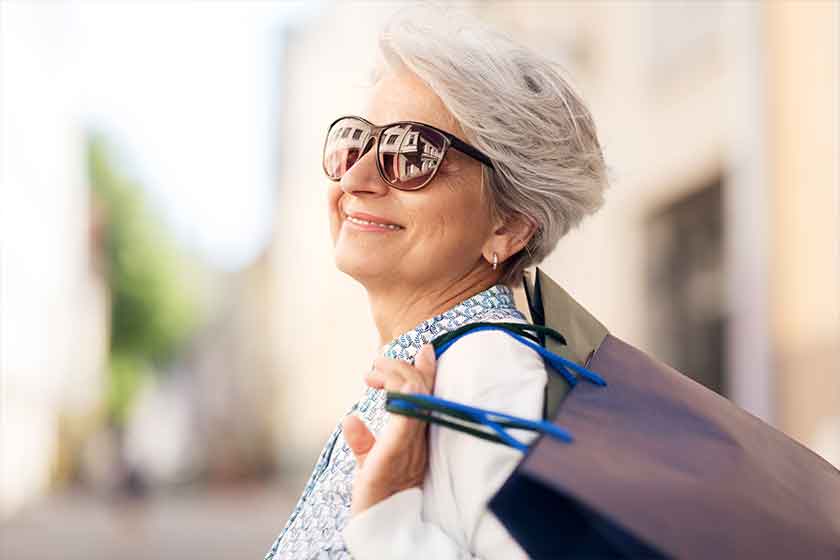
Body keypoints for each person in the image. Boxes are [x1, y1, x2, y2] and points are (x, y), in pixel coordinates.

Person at [264, 5, 608, 559]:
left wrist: (388, 525)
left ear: (509, 224)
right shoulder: (434, 366)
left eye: (412, 155)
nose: (355, 178)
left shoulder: (486, 376)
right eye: (357, 143)